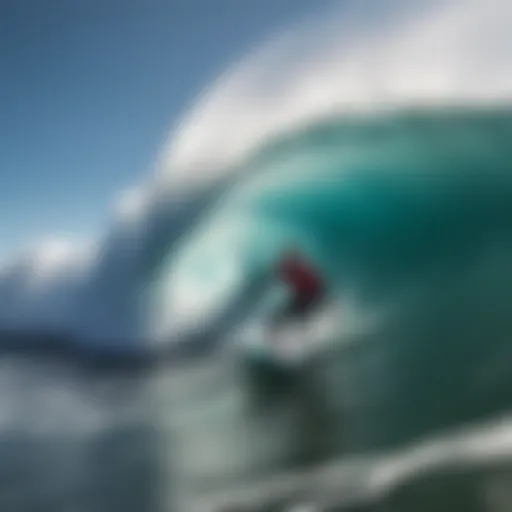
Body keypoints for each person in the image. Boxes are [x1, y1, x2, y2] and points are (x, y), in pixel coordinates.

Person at [272, 246, 325, 328]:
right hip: (302, 294)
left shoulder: (300, 269)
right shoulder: (290, 269)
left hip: (311, 294)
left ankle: (303, 328)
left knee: (297, 312)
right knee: (284, 313)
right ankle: (279, 328)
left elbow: (317, 285)